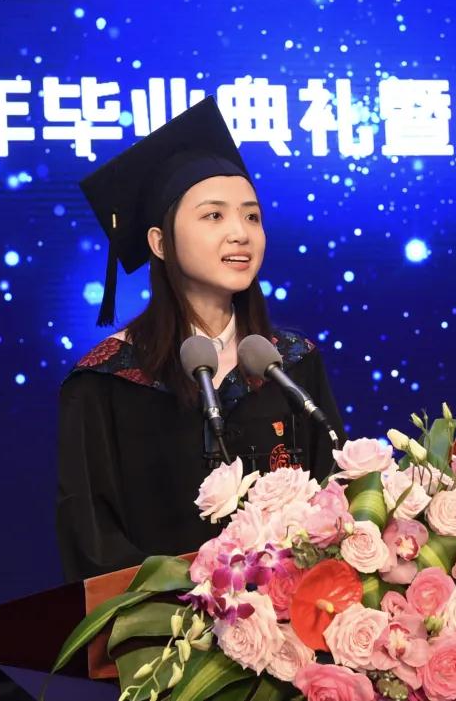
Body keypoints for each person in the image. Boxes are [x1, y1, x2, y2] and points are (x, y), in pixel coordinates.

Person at [56, 97, 344, 582]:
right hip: (164, 624)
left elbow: (333, 496)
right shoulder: (108, 381)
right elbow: (93, 537)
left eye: (252, 217)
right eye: (213, 216)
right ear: (159, 242)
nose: (240, 234)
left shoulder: (290, 365)